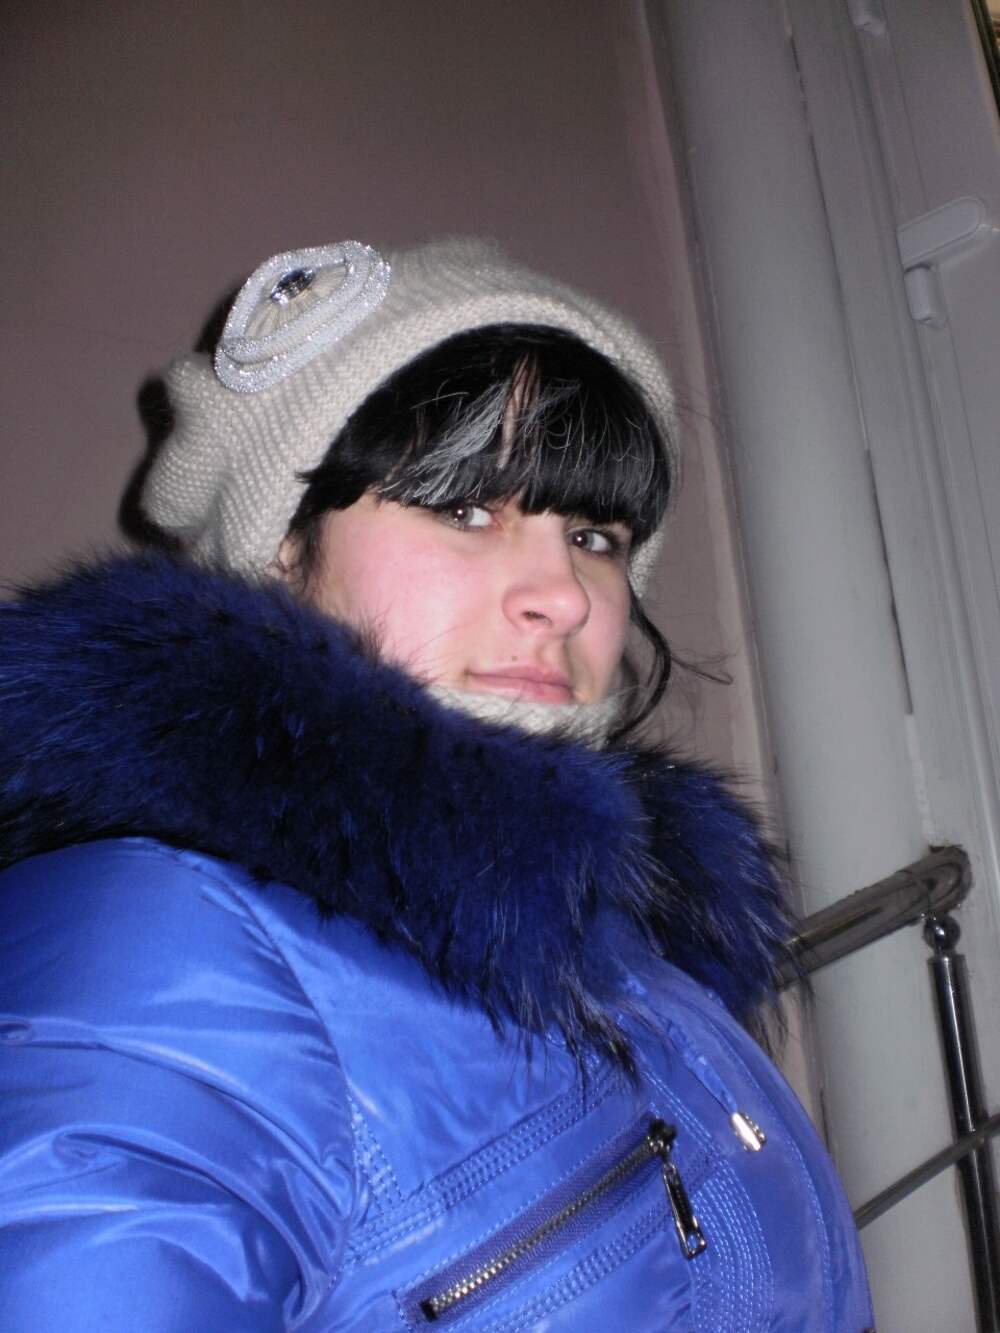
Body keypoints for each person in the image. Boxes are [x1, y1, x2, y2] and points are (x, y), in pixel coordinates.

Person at [0, 238, 874, 1330]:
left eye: (593, 533)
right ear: (282, 548)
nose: (564, 592)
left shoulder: (627, 939)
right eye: (465, 509)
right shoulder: (147, 950)